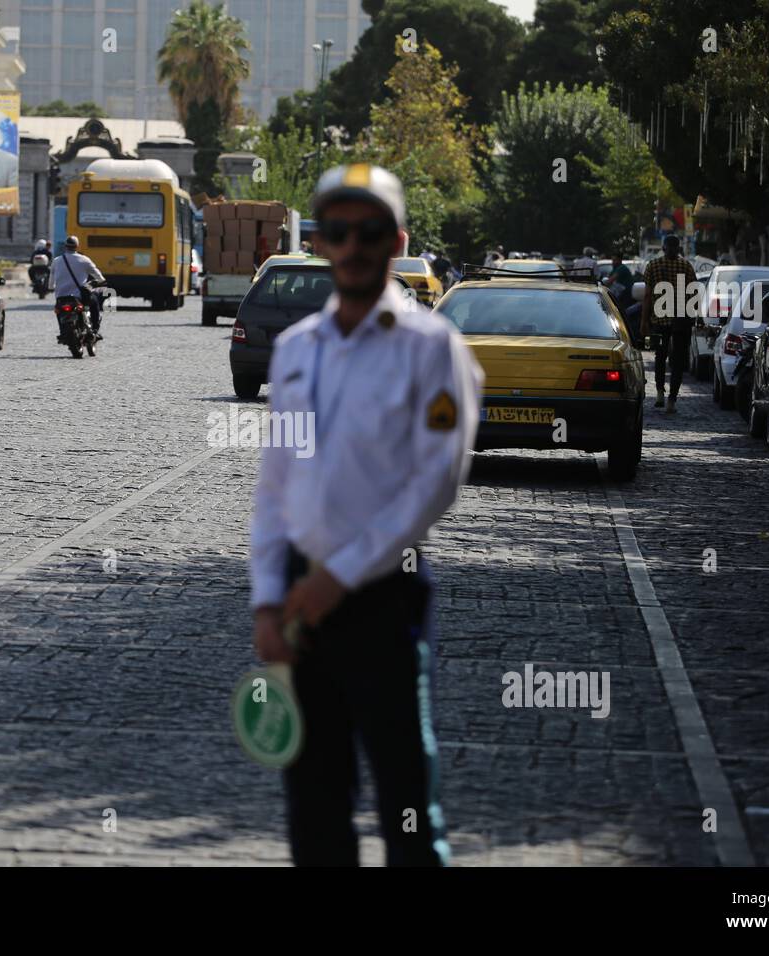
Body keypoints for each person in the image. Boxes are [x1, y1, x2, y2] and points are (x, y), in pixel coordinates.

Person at [250, 163, 482, 867]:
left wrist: (340, 577)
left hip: (382, 597)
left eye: (370, 231)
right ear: (320, 241)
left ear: (398, 240)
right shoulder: (294, 350)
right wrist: (267, 598)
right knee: (314, 805)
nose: (352, 245)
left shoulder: (432, 348)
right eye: (338, 231)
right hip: (297, 596)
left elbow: (434, 483)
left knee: (406, 800)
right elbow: (274, 484)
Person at [641, 234, 699, 413]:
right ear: (679, 248)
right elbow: (694, 294)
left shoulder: (653, 265)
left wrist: (644, 322)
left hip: (659, 320)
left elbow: (648, 296)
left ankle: (659, 392)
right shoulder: (686, 266)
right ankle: (672, 399)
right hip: (681, 322)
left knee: (660, 356)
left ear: (663, 248)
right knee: (678, 361)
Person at [53, 235, 106, 338]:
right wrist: (101, 281)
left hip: (61, 296)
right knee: (94, 302)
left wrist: (51, 287)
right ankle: (94, 329)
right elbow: (98, 276)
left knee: (58, 310)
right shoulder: (84, 260)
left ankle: (62, 332)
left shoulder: (56, 261)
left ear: (65, 246)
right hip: (79, 296)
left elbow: (51, 281)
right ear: (77, 246)